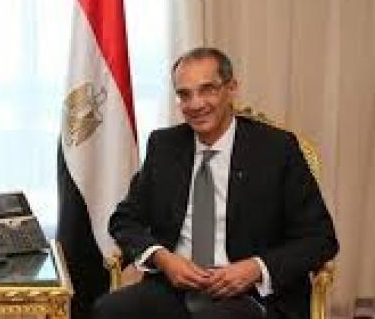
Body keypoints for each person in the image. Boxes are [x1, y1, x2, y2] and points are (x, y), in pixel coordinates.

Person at [93, 47, 338, 319]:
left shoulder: (277, 149)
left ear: (231, 89)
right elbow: (124, 220)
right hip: (174, 286)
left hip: (250, 294)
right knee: (109, 310)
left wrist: (256, 268)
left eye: (207, 89)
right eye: (185, 94)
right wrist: (163, 258)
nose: (196, 104)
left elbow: (320, 238)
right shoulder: (164, 146)